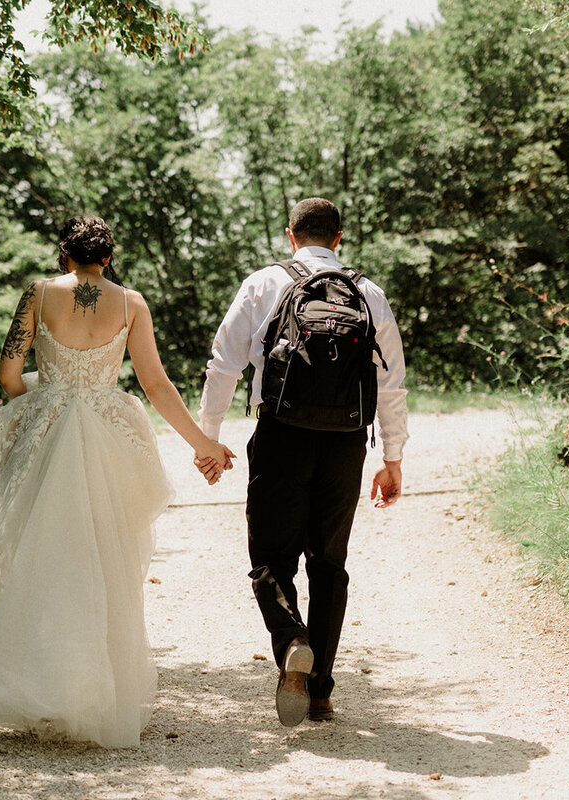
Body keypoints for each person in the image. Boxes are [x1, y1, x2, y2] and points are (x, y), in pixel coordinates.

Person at [0, 215, 235, 748]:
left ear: (64, 256)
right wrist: (203, 445)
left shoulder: (38, 293)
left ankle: (45, 691)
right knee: (105, 564)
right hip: (108, 441)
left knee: (44, 561)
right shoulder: (131, 303)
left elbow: (7, 376)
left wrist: (43, 405)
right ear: (107, 258)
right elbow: (156, 384)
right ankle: (101, 695)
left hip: (48, 436)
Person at [197, 197, 408, 727]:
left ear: (291, 236)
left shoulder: (263, 284)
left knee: (271, 557)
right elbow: (391, 383)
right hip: (345, 444)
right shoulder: (369, 292)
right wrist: (393, 457)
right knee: (329, 564)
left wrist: (209, 437)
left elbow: (223, 364)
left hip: (281, 436)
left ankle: (292, 640)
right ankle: (319, 693)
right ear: (338, 239)